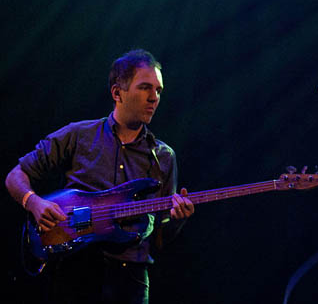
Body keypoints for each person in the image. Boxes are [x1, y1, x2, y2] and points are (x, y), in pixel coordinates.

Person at [5, 49, 195, 304]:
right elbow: (16, 175)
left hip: (130, 280)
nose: (154, 98)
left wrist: (176, 219)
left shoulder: (164, 156)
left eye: (159, 90)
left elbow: (159, 237)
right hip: (75, 270)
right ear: (117, 93)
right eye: (145, 88)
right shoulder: (78, 135)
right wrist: (34, 202)